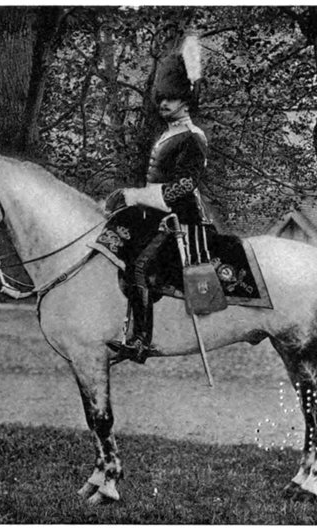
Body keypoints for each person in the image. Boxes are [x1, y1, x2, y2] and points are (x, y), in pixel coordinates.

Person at [106, 35, 211, 363]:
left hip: (182, 218)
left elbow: (186, 184)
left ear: (186, 101)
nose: (163, 103)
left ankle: (141, 341)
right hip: (157, 215)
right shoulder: (167, 134)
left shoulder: (192, 137)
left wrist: (138, 195)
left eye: (171, 98)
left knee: (139, 266)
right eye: (161, 98)